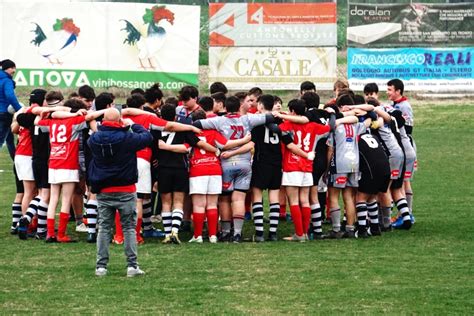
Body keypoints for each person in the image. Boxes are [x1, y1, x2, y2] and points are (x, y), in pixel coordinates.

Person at [88, 108, 152, 277]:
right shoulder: (127, 138)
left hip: (104, 189)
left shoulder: (94, 139)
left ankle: (101, 266)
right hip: (126, 188)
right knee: (129, 228)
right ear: (119, 121)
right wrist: (134, 125)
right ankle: (132, 265)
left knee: (104, 227)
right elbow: (147, 137)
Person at [0, 59, 22, 159]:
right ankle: (16, 162)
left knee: (9, 139)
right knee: (2, 140)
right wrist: (19, 109)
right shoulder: (7, 80)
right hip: (4, 113)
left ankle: (15, 161)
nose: (14, 71)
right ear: (8, 68)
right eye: (12, 68)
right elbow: (10, 96)